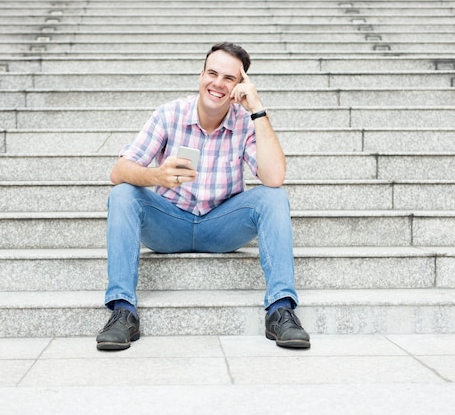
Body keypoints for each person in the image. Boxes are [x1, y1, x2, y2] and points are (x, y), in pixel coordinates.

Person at [96, 42, 310, 351]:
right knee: (123, 194)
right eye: (212, 73)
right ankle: (122, 311)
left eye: (229, 78)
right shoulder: (170, 114)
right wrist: (157, 176)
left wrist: (258, 110)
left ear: (240, 86)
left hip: (221, 227)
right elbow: (118, 171)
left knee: (273, 197)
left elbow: (274, 177)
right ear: (201, 75)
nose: (218, 84)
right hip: (169, 224)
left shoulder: (244, 122)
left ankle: (281, 310)